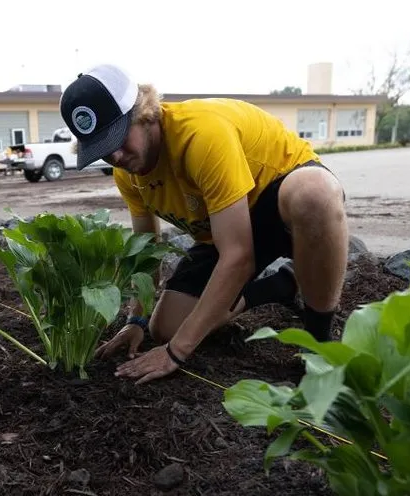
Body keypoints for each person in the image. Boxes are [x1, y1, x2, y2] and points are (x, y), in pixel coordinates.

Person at [58, 63, 349, 385]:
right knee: (165, 327)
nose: (115, 155)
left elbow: (238, 256)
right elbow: (147, 250)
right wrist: (136, 320)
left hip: (276, 199)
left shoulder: (199, 135)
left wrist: (175, 353)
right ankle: (280, 285)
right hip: (225, 225)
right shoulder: (128, 172)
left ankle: (319, 340)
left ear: (144, 113)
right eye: (101, 148)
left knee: (315, 194)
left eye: (118, 137)